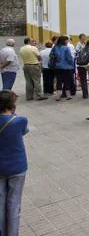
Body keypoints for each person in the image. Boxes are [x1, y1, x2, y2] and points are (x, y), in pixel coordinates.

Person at [0, 90, 28, 236]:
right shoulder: (20, 120)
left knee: (1, 203)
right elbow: (24, 131)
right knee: (14, 203)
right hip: (17, 166)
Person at [50, 36, 74, 101]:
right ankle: (68, 96)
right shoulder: (66, 48)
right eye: (67, 40)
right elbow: (69, 58)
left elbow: (51, 55)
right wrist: (72, 64)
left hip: (57, 67)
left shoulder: (55, 47)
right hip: (66, 67)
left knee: (59, 81)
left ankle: (57, 96)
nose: (67, 41)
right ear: (64, 41)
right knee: (66, 81)